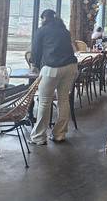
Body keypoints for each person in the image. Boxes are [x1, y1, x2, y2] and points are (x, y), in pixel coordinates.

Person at [29, 9, 78, 145]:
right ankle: (59, 134)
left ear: (44, 18)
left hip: (52, 68)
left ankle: (39, 137)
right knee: (63, 100)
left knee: (44, 101)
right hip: (70, 67)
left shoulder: (41, 31)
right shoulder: (65, 31)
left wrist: (34, 64)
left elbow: (35, 50)